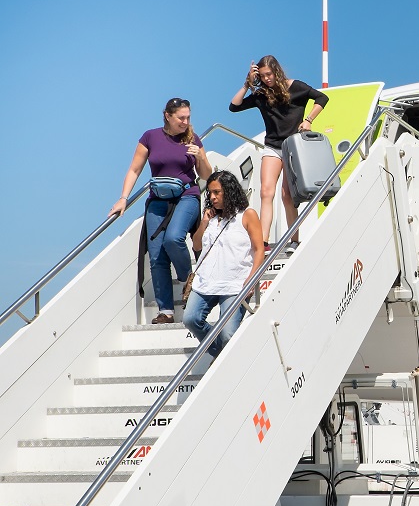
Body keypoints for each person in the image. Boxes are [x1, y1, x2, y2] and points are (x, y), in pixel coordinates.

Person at [112, 98, 212, 324]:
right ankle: (166, 311)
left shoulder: (192, 139)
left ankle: (190, 281)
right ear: (167, 115)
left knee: (173, 238)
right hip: (157, 200)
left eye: (188, 118)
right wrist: (123, 198)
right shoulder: (150, 136)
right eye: (181, 118)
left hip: (187, 195)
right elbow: (135, 169)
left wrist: (201, 157)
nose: (186, 122)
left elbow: (206, 175)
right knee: (157, 257)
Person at [229, 55, 329, 254]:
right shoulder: (261, 95)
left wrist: (308, 119)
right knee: (266, 192)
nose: (266, 79)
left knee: (287, 195)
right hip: (272, 146)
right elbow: (234, 106)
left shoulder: (295, 87)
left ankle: (294, 239)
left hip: (293, 146)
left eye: (269, 74)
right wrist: (247, 84)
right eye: (263, 76)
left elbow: (322, 98)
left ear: (277, 71)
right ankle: (264, 241)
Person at [183, 170, 264, 358]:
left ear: (229, 191)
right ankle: (221, 355)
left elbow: (259, 249)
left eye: (217, 192)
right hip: (205, 282)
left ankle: (224, 356)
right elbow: (196, 244)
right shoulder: (211, 218)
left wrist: (251, 279)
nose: (212, 197)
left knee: (228, 334)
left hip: (235, 285)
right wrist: (204, 222)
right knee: (190, 319)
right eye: (210, 193)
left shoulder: (247, 215)